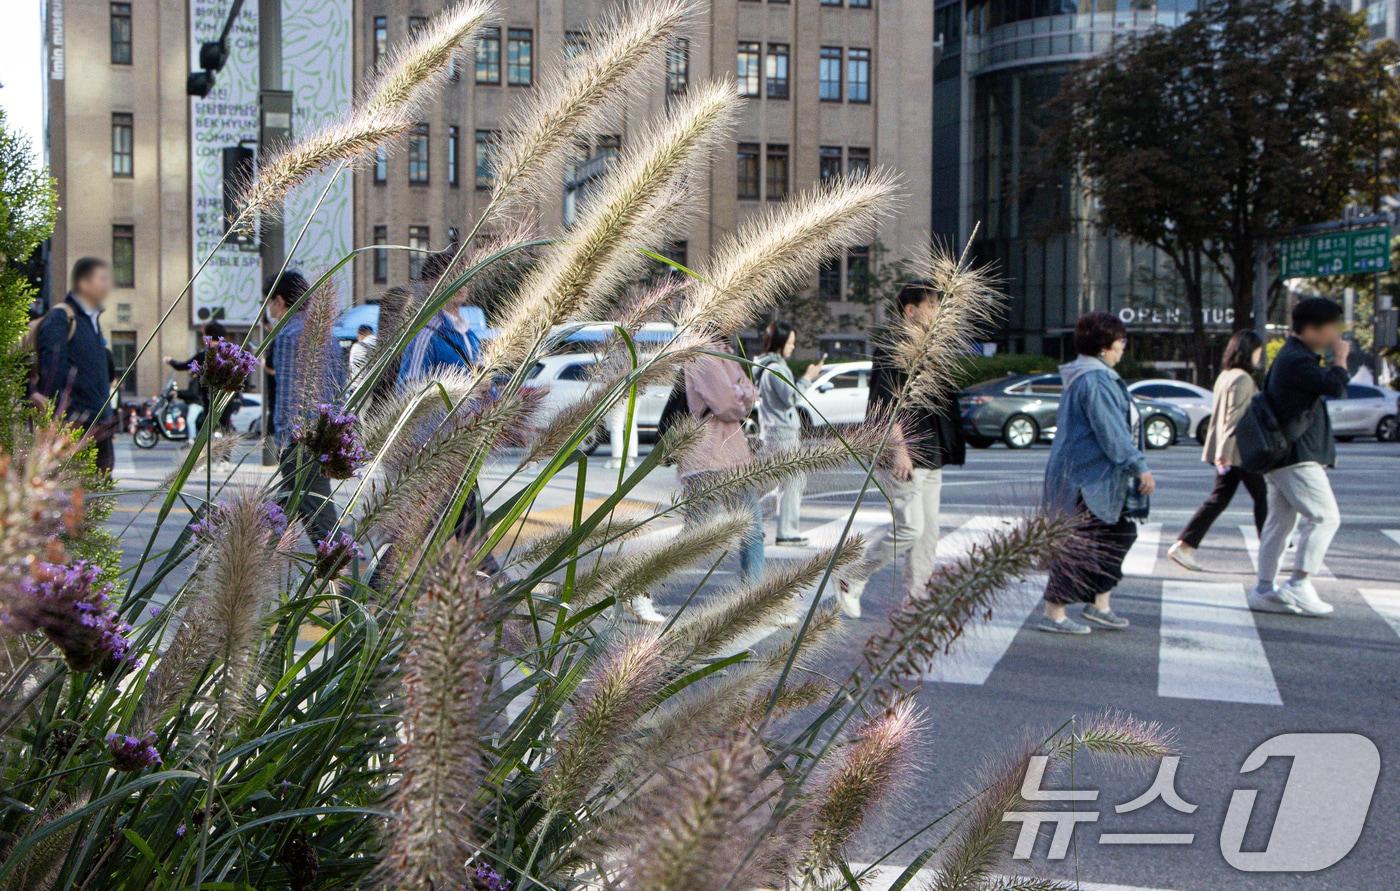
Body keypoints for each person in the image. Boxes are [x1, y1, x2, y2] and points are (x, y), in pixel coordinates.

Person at [836, 281, 965, 619]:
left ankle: (917, 598)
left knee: (928, 532)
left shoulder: (931, 347)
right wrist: (899, 449)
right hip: (902, 452)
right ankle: (852, 577)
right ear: (910, 310)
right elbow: (884, 404)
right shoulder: (893, 345)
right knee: (910, 528)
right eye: (931, 305)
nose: (937, 312)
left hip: (931, 450)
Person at [1038, 312, 1155, 634]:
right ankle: (1054, 612)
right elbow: (1112, 432)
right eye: (1121, 343)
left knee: (1115, 535)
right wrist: (1139, 466)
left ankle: (1099, 604)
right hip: (1086, 480)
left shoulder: (1092, 375)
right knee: (1080, 544)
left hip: (1092, 477)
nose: (1123, 349)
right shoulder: (1094, 380)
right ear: (1105, 347)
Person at [1248, 298, 1349, 617]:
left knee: (1280, 523)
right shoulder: (1298, 360)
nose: (1336, 333)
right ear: (1312, 329)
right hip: (1296, 457)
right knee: (1325, 517)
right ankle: (1299, 583)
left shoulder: (1292, 357)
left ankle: (1265, 589)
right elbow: (1335, 386)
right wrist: (1341, 359)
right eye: (1332, 327)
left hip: (1282, 456)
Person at [1169, 330, 1267, 571]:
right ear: (1247, 351)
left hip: (1228, 450)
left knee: (1220, 498)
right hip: (1238, 451)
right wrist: (1224, 452)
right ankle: (1271, 551)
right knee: (1263, 497)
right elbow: (1234, 417)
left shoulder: (1226, 375)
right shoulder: (1242, 378)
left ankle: (1184, 545)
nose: (1260, 356)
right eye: (1257, 351)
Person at [269, 271, 346, 542]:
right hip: (323, 436)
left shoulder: (288, 334)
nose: (270, 311)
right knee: (279, 512)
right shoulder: (328, 334)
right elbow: (340, 386)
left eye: (270, 304)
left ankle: (347, 581)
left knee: (322, 527)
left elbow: (289, 394)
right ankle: (247, 563)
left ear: (279, 301)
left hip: (301, 441)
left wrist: (283, 438)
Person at [679, 343, 763, 594]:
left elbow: (750, 396)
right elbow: (727, 406)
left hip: (733, 455)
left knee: (752, 528)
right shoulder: (703, 353)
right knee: (696, 535)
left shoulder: (725, 351)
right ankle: (640, 585)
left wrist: (739, 392)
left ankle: (754, 598)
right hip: (707, 457)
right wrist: (738, 392)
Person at [33, 258, 118, 475]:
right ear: (84, 283)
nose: (107, 285)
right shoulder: (61, 317)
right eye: (102, 279)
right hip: (75, 427)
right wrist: (54, 417)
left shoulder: (92, 321)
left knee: (99, 497)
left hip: (100, 425)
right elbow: (52, 368)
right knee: (73, 499)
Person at [755, 320, 823, 546]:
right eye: (790, 342)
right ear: (779, 343)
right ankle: (783, 531)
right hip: (781, 434)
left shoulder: (769, 366)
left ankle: (751, 519)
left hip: (777, 432)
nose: (793, 347)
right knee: (791, 482)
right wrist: (807, 378)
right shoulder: (775, 368)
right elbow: (792, 398)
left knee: (784, 482)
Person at [165, 320, 237, 436]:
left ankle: (208, 451)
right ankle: (225, 453)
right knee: (225, 428)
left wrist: (170, 361)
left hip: (209, 397)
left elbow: (182, 366)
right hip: (226, 397)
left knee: (208, 429)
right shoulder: (230, 353)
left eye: (204, 334)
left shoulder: (205, 354)